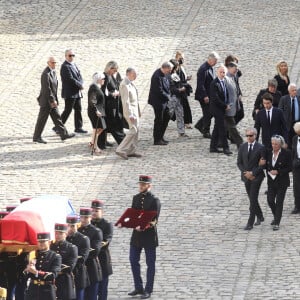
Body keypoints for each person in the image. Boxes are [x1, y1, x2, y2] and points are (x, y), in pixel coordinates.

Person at [124, 175, 161, 299]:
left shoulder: (155, 200)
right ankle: (138, 287)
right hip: (136, 236)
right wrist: (129, 222)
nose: (140, 186)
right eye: (140, 184)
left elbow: (155, 220)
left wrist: (144, 225)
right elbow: (133, 214)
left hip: (149, 236)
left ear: (149, 186)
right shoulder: (136, 198)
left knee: (150, 263)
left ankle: (148, 289)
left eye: (143, 184)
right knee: (133, 259)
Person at [33, 57, 75, 144]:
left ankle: (64, 134)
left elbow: (54, 88)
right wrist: (52, 100)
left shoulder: (53, 72)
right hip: (46, 102)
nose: (54, 64)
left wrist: (55, 100)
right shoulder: (45, 74)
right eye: (52, 63)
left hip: (52, 101)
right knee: (42, 120)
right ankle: (36, 137)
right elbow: (47, 89)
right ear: (48, 63)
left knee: (57, 118)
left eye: (55, 63)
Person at [237, 128, 266, 230]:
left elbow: (263, 164)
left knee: (253, 198)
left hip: (257, 177)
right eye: (247, 136)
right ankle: (260, 215)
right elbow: (239, 162)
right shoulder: (242, 147)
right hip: (246, 176)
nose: (249, 138)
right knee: (252, 198)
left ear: (255, 136)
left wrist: (253, 173)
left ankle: (250, 222)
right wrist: (246, 173)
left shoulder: (261, 147)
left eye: (251, 135)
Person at [264, 135, 292, 230]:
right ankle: (276, 215)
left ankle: (277, 222)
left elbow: (290, 167)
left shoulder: (286, 153)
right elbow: (265, 165)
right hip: (271, 181)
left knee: (279, 202)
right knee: (270, 200)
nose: (274, 146)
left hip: (282, 181)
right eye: (272, 144)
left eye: (276, 144)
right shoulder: (268, 152)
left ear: (280, 144)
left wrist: (278, 172)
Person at [24, 232, 61, 300]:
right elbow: (26, 275)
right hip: (33, 290)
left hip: (47, 291)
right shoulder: (33, 254)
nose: (40, 243)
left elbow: (53, 275)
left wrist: (36, 272)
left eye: (43, 241)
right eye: (39, 241)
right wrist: (27, 270)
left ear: (49, 242)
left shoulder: (55, 256)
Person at [98, 61, 125, 149]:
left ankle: (102, 142)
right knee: (112, 124)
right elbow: (103, 92)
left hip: (113, 104)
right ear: (110, 68)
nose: (116, 72)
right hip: (108, 105)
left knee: (106, 124)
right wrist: (113, 94)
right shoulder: (105, 77)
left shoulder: (110, 76)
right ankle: (122, 142)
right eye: (115, 70)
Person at [115, 67, 142, 159]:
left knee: (136, 130)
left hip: (135, 111)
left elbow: (135, 99)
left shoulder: (130, 83)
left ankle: (131, 150)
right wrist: (130, 114)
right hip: (130, 112)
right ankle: (121, 149)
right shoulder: (124, 84)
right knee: (133, 130)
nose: (136, 76)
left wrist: (138, 111)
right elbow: (125, 101)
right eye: (134, 75)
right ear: (129, 74)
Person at [77, 208, 102, 300]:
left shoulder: (96, 231)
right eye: (82, 217)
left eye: (86, 217)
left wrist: (81, 254)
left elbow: (95, 251)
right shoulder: (77, 231)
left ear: (90, 217)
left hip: (91, 267)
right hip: (80, 269)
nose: (83, 219)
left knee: (91, 296)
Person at [60, 49, 87, 134]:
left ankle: (78, 127)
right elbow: (70, 79)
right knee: (68, 110)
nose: (71, 57)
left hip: (77, 92)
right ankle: (58, 126)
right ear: (66, 56)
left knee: (78, 109)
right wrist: (79, 85)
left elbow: (79, 75)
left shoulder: (74, 64)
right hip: (70, 92)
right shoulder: (65, 66)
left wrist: (81, 83)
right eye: (70, 55)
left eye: (73, 55)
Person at [91, 200, 113, 300]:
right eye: (93, 210)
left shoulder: (107, 224)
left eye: (97, 211)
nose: (94, 213)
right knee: (91, 290)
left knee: (103, 289)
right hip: (91, 261)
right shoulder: (88, 224)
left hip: (102, 259)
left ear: (101, 211)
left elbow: (106, 241)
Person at [194, 51, 220, 138]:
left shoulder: (210, 67)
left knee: (210, 112)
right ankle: (206, 131)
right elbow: (200, 84)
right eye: (215, 61)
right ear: (211, 59)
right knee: (207, 113)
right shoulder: (203, 69)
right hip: (204, 96)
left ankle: (200, 125)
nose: (216, 63)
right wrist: (205, 95)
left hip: (209, 95)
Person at [50, 223, 78, 300]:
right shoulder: (50, 246)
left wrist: (52, 270)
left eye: (61, 233)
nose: (58, 235)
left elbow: (69, 267)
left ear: (66, 234)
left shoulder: (72, 248)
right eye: (56, 233)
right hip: (50, 280)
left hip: (64, 280)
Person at [209, 65, 232, 155]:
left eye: (224, 72)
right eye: (221, 72)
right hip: (216, 108)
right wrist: (225, 106)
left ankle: (213, 147)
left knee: (217, 127)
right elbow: (215, 98)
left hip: (222, 108)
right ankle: (225, 148)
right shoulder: (214, 83)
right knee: (222, 128)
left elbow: (225, 94)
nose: (222, 74)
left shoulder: (224, 81)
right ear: (217, 73)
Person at [148, 62, 173, 145]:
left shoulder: (164, 74)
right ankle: (157, 139)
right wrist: (168, 97)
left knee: (167, 116)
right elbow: (159, 91)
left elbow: (167, 85)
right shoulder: (157, 76)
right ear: (165, 68)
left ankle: (161, 136)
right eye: (169, 70)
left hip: (164, 101)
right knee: (159, 120)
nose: (169, 72)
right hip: (158, 101)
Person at [66, 215, 90, 300]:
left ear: (77, 225)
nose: (70, 228)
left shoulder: (84, 239)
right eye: (68, 226)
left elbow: (82, 258)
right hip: (66, 276)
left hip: (78, 273)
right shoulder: (64, 239)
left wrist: (69, 263)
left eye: (72, 226)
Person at [224, 62, 243, 149]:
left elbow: (236, 88)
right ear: (229, 68)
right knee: (231, 126)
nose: (236, 71)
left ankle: (218, 142)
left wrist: (239, 94)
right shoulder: (226, 78)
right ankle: (240, 142)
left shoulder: (233, 76)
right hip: (228, 107)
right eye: (235, 69)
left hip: (234, 105)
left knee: (222, 126)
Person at [168, 59, 188, 138]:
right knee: (168, 114)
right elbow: (171, 88)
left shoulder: (175, 74)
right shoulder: (168, 76)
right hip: (172, 97)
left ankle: (181, 132)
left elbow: (178, 83)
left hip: (178, 97)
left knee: (180, 114)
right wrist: (179, 89)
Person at [87, 72, 107, 155]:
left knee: (101, 128)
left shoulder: (97, 86)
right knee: (97, 128)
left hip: (99, 111)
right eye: (103, 79)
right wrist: (96, 110)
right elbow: (93, 100)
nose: (104, 80)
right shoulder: (94, 88)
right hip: (95, 112)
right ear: (98, 79)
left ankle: (92, 142)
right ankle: (95, 147)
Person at [278, 83, 300, 149]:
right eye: (293, 90)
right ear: (289, 91)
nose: (295, 92)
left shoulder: (299, 99)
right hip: (287, 125)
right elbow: (280, 111)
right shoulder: (284, 99)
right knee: (288, 143)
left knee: (296, 142)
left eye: (295, 90)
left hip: (297, 124)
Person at [175, 51, 193, 129]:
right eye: (180, 58)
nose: (182, 60)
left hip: (184, 89)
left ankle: (186, 122)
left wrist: (187, 78)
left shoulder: (182, 67)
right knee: (184, 106)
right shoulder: (176, 68)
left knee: (184, 106)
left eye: (183, 58)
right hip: (180, 90)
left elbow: (183, 77)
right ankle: (186, 123)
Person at [224, 54, 244, 125]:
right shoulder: (226, 74)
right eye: (234, 64)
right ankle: (231, 129)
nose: (236, 66)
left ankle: (231, 129)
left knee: (240, 114)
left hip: (237, 96)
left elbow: (237, 84)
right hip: (231, 99)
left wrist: (239, 93)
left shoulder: (235, 72)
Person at [291, 122, 300, 214]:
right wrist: (292, 163)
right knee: (296, 187)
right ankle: (297, 205)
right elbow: (293, 152)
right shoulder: (294, 139)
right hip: (296, 165)